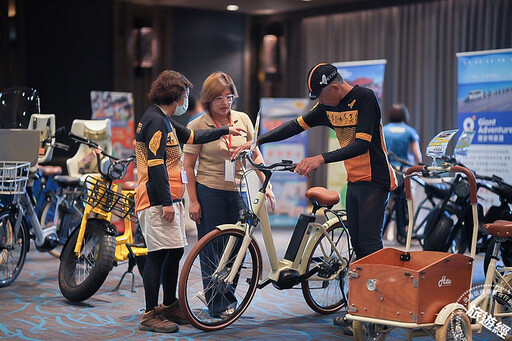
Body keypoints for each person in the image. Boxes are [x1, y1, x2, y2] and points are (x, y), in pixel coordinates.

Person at [231, 63, 397, 334]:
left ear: (334, 87)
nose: (319, 102)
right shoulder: (328, 106)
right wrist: (257, 142)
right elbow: (294, 126)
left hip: (375, 181)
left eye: (320, 96)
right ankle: (357, 309)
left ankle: (379, 314)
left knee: (369, 246)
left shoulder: (365, 98)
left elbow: (362, 144)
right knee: (357, 246)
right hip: (354, 181)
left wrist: (320, 158)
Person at [134, 70, 244, 333]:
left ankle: (169, 305)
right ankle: (150, 314)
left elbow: (194, 137)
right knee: (158, 255)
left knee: (173, 252)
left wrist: (226, 130)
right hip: (157, 200)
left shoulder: (165, 119)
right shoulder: (156, 122)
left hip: (167, 198)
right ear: (175, 96)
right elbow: (155, 165)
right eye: (184, 95)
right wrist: (166, 203)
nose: (186, 100)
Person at [183, 71, 275, 318]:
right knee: (211, 250)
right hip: (208, 191)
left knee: (238, 248)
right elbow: (188, 166)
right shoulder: (197, 125)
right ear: (208, 100)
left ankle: (227, 297)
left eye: (229, 97)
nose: (225, 103)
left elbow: (255, 155)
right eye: (219, 98)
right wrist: (193, 200)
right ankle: (216, 304)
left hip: (239, 190)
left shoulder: (242, 120)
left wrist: (268, 186)